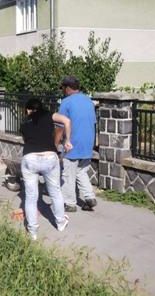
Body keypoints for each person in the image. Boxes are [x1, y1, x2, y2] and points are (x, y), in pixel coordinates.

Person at [20, 98, 73, 240]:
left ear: (29, 110)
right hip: (50, 157)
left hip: (30, 158)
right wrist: (67, 141)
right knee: (55, 191)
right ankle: (61, 223)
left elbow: (27, 141)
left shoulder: (24, 124)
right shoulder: (49, 115)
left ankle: (32, 231)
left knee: (31, 197)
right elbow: (67, 121)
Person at [59, 76, 97, 212]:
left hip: (72, 143)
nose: (63, 91)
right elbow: (93, 123)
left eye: (63, 88)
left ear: (68, 88)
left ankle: (70, 203)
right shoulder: (89, 101)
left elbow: (60, 125)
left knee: (68, 174)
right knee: (81, 171)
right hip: (87, 143)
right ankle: (90, 197)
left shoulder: (66, 102)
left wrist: (56, 142)